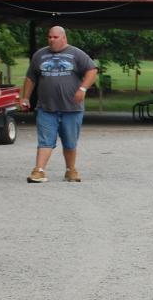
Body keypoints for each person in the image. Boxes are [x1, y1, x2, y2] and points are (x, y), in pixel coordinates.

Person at [20, 26, 97, 183]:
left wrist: (83, 88)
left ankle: (71, 170)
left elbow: (92, 70)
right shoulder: (40, 55)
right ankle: (39, 171)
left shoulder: (76, 54)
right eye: (49, 37)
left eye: (55, 37)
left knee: (70, 141)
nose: (51, 40)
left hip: (72, 108)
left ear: (64, 38)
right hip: (46, 107)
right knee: (45, 140)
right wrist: (25, 98)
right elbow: (30, 78)